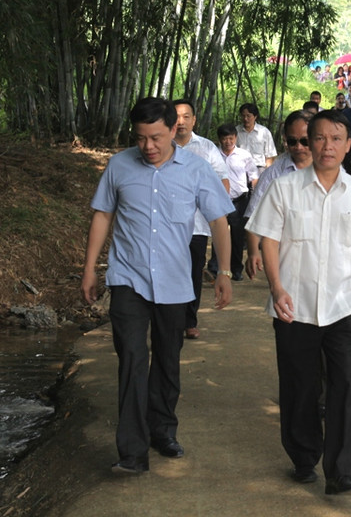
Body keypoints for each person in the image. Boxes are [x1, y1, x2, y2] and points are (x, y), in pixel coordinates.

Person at [80, 97, 234, 475]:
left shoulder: (196, 169)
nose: (147, 146)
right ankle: (132, 453)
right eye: (140, 138)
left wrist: (225, 272)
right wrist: (89, 269)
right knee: (133, 358)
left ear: (172, 130)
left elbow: (219, 221)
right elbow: (103, 215)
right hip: (128, 277)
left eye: (156, 138)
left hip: (175, 280)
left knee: (167, 358)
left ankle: (163, 430)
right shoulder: (119, 165)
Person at [245, 109, 351, 496]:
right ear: (309, 141)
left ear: (348, 145)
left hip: (346, 305)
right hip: (295, 307)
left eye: (336, 139)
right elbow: (269, 240)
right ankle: (304, 458)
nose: (327, 146)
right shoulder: (284, 188)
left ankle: (342, 473)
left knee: (344, 387)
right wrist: (276, 288)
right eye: (319, 138)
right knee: (299, 386)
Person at [173, 99, 230, 340]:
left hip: (197, 225)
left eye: (186, 116)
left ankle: (189, 320)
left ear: (194, 120)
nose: (181, 121)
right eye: (176, 116)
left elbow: (223, 181)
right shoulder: (160, 147)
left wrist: (214, 209)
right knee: (170, 272)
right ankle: (170, 321)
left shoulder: (207, 148)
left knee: (194, 273)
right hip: (168, 226)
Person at [244, 110, 313, 279]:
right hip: (286, 256)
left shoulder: (330, 170)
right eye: (292, 141)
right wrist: (253, 251)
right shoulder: (274, 174)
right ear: (285, 140)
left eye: (305, 141)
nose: (299, 147)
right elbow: (254, 214)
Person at [213, 123, 259, 281]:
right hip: (218, 200)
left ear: (236, 138)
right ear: (219, 139)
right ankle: (215, 267)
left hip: (239, 201)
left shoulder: (244, 155)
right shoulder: (213, 154)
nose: (228, 142)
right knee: (218, 233)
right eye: (224, 138)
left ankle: (236, 269)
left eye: (231, 138)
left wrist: (255, 197)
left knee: (237, 236)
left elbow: (253, 176)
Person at [236, 103, 277, 174]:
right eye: (243, 116)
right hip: (240, 168)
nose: (245, 119)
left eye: (248, 116)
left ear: (255, 116)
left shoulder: (264, 132)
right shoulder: (236, 131)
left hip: (259, 168)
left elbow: (270, 156)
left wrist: (267, 173)